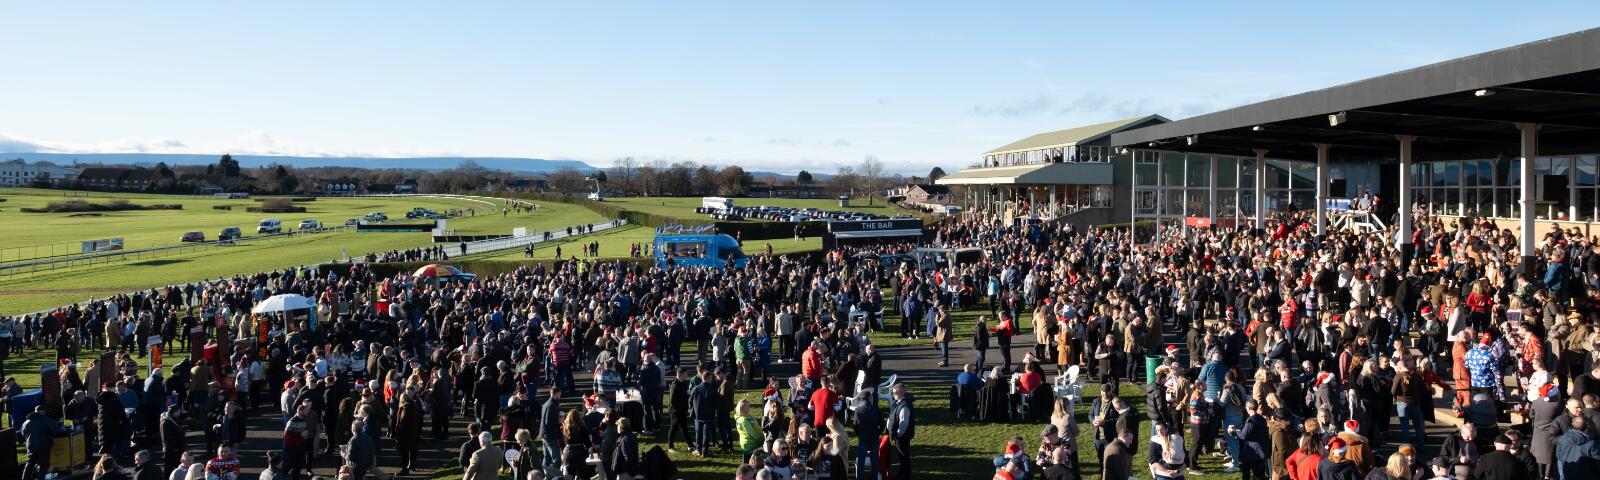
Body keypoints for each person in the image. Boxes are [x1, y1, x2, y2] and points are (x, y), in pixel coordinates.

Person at [21, 405, 63, 480]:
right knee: (43, 466)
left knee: (29, 464)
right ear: (44, 411)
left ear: (35, 411)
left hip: (31, 446)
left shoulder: (26, 422)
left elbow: (22, 433)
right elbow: (57, 430)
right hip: (43, 446)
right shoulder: (45, 420)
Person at [1233, 400, 1269, 480]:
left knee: (1247, 474)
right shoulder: (1261, 419)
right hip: (1260, 450)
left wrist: (1234, 432)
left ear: (1249, 408)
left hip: (1251, 452)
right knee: (1260, 474)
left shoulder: (1251, 421)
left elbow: (1243, 436)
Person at [888, 383, 916, 480]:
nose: (893, 394)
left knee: (904, 456)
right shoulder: (899, 402)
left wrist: (898, 435)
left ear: (899, 393)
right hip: (900, 435)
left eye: (894, 393)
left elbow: (903, 423)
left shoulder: (904, 406)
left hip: (902, 437)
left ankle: (905, 476)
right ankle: (902, 474)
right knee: (902, 456)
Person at [852, 389, 882, 480]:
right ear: (869, 398)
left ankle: (860, 478)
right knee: (874, 460)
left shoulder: (858, 410)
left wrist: (859, 434)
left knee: (861, 460)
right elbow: (882, 424)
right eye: (871, 396)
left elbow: (855, 425)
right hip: (874, 438)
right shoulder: (876, 410)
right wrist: (878, 433)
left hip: (863, 438)